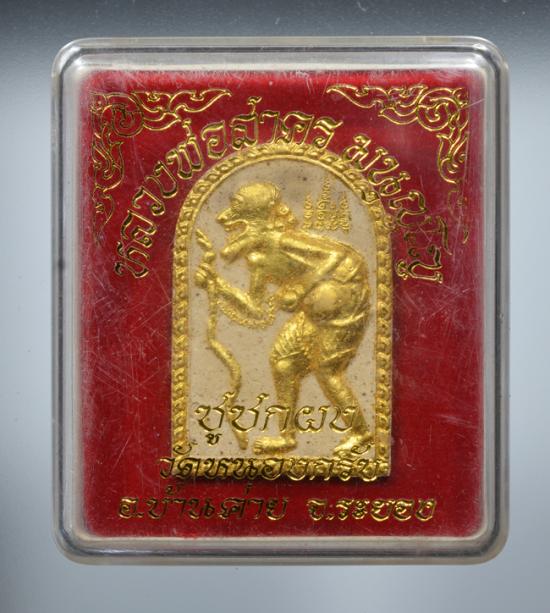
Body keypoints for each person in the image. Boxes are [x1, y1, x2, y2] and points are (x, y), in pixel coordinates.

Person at [195, 181, 372, 456]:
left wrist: (302, 288)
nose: (223, 220)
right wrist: (217, 285)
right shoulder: (258, 261)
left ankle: (360, 434)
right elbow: (256, 309)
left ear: (257, 220)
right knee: (283, 363)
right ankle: (286, 438)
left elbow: (338, 255)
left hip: (345, 307)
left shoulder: (283, 240)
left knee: (327, 370)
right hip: (312, 313)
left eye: (237, 212)